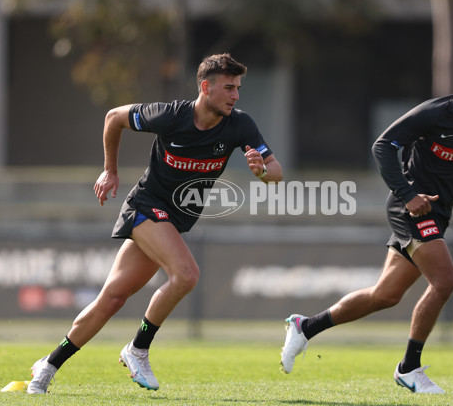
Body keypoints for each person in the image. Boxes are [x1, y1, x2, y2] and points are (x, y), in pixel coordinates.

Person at [27, 53, 283, 394]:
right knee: (187, 274)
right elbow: (113, 117)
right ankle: (138, 348)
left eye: (238, 88)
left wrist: (261, 172)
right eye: (229, 88)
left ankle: (47, 365)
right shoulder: (171, 115)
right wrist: (110, 169)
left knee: (112, 299)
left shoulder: (240, 124)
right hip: (146, 207)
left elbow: (276, 172)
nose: (236, 95)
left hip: (172, 220)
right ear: (205, 87)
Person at [280, 61, 453, 394]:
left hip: (439, 212)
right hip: (411, 208)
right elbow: (383, 146)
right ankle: (409, 368)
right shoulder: (434, 114)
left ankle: (305, 327)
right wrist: (407, 193)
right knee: (445, 281)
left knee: (384, 295)